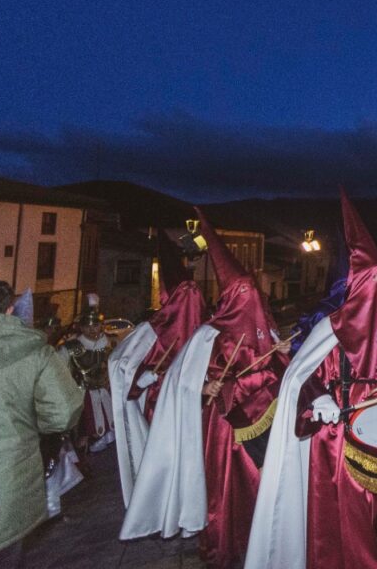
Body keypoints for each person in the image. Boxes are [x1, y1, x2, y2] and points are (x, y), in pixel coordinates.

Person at [246, 191, 377, 568]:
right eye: (371, 279)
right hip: (339, 438)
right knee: (344, 517)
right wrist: (318, 398)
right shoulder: (330, 325)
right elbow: (299, 373)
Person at [120, 210, 289, 569]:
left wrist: (283, 357)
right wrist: (205, 385)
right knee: (226, 490)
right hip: (225, 427)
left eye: (251, 292)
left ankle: (268, 544)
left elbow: (279, 369)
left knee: (264, 484)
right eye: (242, 293)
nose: (250, 300)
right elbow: (184, 380)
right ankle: (224, 548)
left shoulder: (266, 328)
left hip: (264, 424)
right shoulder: (207, 334)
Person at [0, 279, 83, 566]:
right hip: (6, 484)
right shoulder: (35, 352)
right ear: (9, 309)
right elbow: (64, 412)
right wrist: (25, 422)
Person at [108, 235, 205, 507]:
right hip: (159, 409)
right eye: (185, 296)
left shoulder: (204, 330)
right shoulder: (150, 332)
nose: (192, 301)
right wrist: (144, 380)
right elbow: (122, 368)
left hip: (196, 407)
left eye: (194, 295)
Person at [58, 297, 116, 454]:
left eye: (96, 325)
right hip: (82, 396)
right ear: (81, 328)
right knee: (82, 436)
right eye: (88, 326)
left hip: (107, 393)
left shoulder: (111, 346)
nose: (92, 329)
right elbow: (58, 373)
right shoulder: (71, 348)